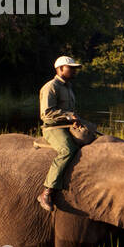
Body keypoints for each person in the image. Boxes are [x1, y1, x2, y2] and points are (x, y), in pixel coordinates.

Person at [37, 56, 82, 212]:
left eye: (75, 68)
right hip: (53, 129)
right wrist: (69, 116)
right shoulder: (50, 87)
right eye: (71, 68)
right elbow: (46, 114)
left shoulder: (68, 87)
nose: (74, 70)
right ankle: (46, 192)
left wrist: (75, 119)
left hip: (68, 126)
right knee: (67, 150)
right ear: (60, 69)